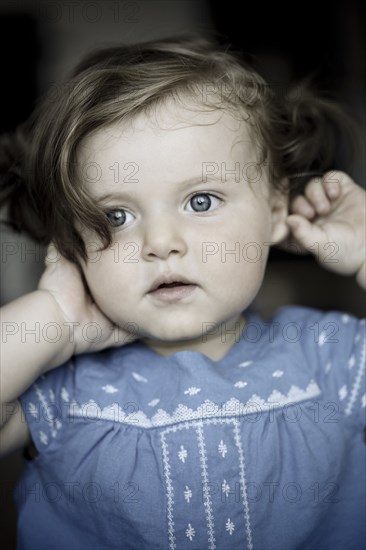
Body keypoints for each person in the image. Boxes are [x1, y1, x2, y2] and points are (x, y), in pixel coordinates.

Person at [0, 36, 365, 550]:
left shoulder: (330, 359)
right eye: (116, 216)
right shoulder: (63, 386)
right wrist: (54, 316)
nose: (160, 244)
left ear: (277, 209)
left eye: (200, 200)